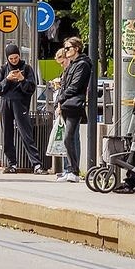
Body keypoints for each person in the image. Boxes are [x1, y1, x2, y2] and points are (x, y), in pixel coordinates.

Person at [0, 43, 42, 173]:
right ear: (7, 58)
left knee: (25, 132)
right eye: (11, 59)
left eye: (16, 58)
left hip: (20, 104)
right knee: (7, 134)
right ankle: (11, 164)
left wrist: (22, 79)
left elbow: (31, 88)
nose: (14, 61)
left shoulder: (26, 68)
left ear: (19, 56)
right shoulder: (3, 69)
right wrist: (7, 79)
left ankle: (36, 164)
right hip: (5, 103)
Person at [53, 36, 92, 183]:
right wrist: (59, 101)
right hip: (68, 104)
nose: (66, 51)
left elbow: (74, 86)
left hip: (74, 105)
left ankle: (73, 170)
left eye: (68, 48)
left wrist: (60, 99)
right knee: (68, 138)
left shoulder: (82, 64)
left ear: (76, 49)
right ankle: (70, 169)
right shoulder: (74, 64)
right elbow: (65, 84)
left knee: (70, 137)